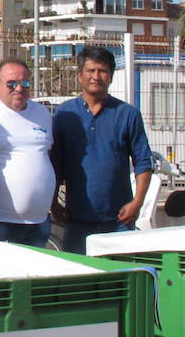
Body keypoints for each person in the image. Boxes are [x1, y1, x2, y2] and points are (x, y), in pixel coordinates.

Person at [51, 46, 152, 254]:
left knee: (120, 281)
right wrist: (53, 204)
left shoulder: (128, 114)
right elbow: (55, 165)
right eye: (91, 70)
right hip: (77, 220)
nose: (96, 76)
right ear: (80, 75)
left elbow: (143, 162)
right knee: (80, 280)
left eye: (103, 71)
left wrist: (137, 203)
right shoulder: (65, 114)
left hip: (119, 221)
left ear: (111, 77)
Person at [0, 59, 56, 246]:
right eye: (11, 83)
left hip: (38, 223)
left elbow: (47, 156)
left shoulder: (43, 115)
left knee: (33, 275)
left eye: (25, 83)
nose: (19, 89)